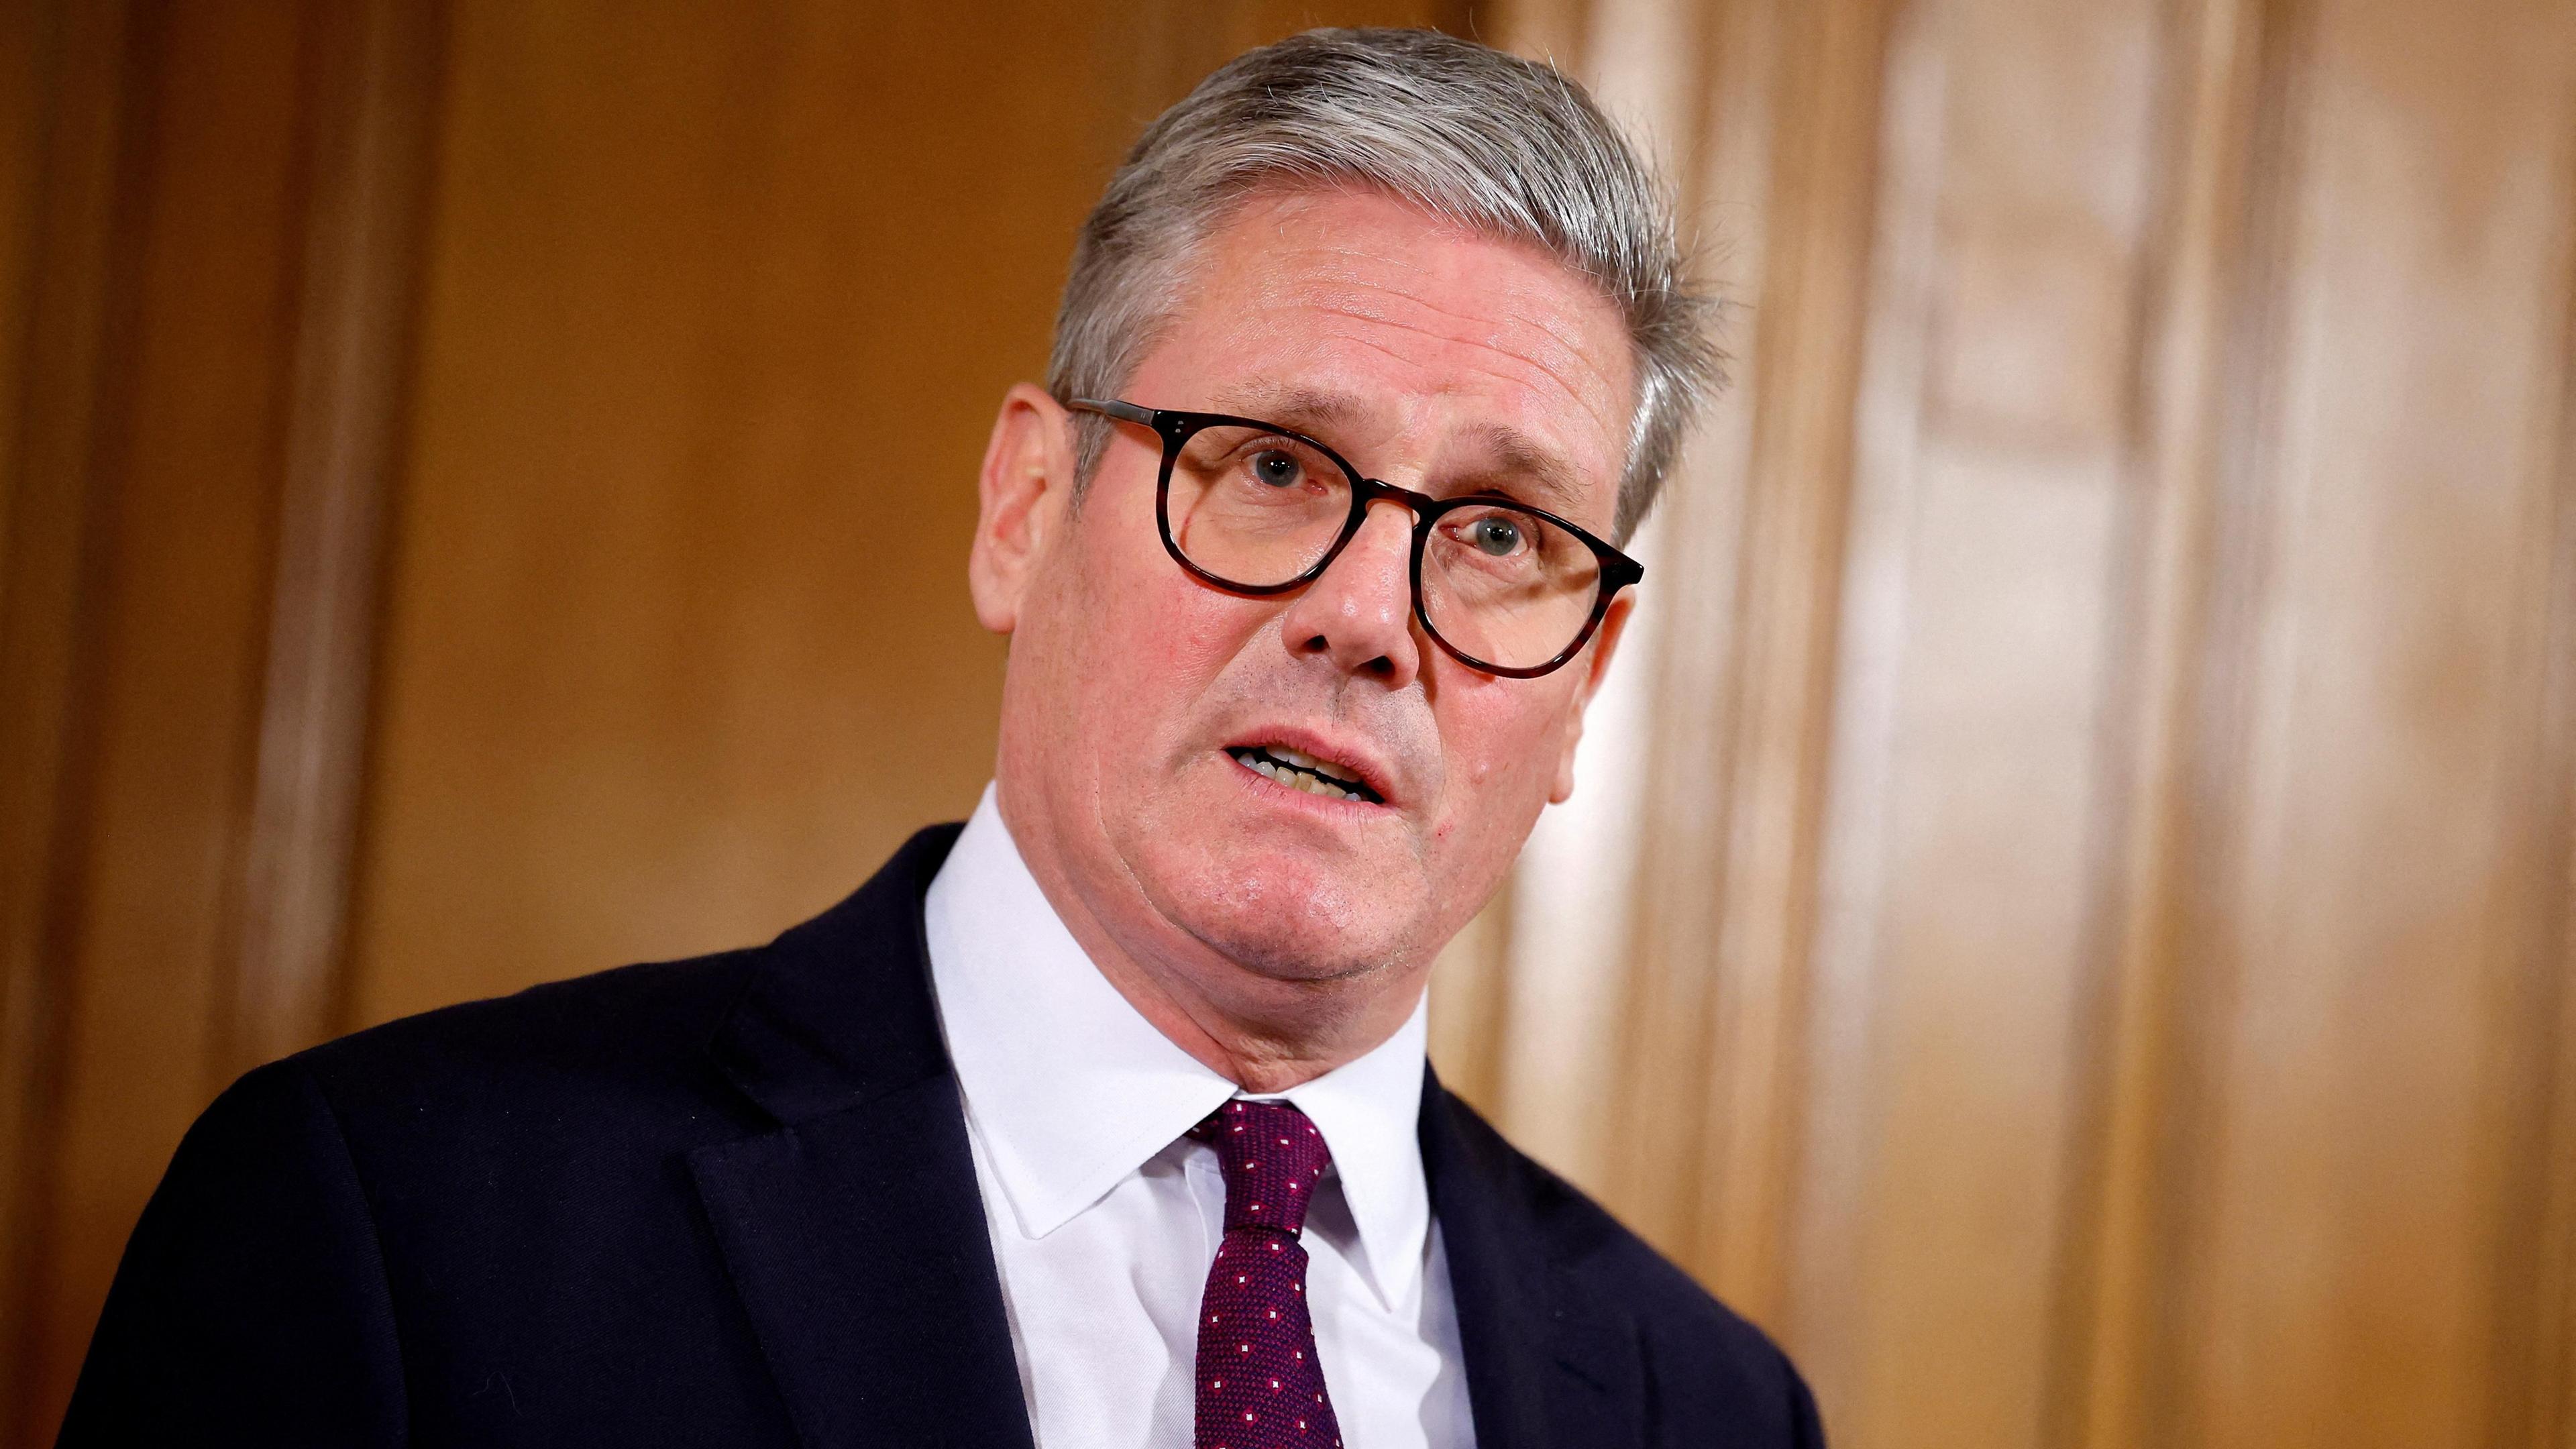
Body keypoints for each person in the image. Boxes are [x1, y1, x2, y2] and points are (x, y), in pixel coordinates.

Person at [62, 27, 1821, 1449]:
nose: (1370, 617)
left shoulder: (1712, 1408)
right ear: (1024, 507)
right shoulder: (400, 1229)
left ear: (1586, 682)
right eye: (1276, 466)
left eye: (1502, 534)